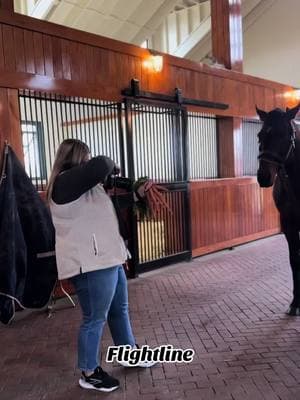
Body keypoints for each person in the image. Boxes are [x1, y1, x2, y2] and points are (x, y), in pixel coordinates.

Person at [46, 138, 156, 393]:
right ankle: (89, 371)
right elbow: (101, 164)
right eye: (85, 156)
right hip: (90, 264)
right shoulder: (63, 183)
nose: (88, 160)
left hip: (109, 259)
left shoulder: (87, 187)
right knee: (94, 318)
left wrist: (138, 193)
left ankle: (128, 353)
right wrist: (111, 166)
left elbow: (113, 206)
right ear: (76, 158)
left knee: (120, 310)